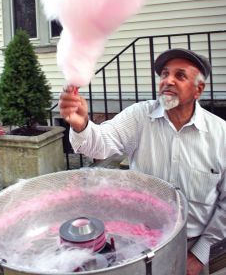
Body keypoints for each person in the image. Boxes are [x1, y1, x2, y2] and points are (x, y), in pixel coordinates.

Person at [59, 48, 226, 275]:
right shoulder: (139, 117)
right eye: (164, 74)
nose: (168, 80)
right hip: (139, 245)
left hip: (192, 247)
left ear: (199, 89)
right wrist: (81, 125)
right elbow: (101, 143)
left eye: (180, 75)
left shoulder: (221, 135)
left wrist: (200, 253)